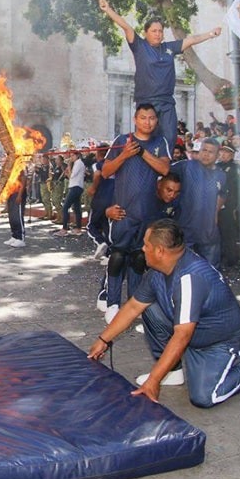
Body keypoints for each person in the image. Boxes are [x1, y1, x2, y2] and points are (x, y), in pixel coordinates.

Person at [87, 219, 240, 408]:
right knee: (148, 308)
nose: (142, 249)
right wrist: (103, 340)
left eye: (146, 245)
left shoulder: (190, 278)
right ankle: (173, 371)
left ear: (159, 251)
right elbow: (133, 307)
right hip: (191, 335)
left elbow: (182, 335)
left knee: (205, 397)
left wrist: (153, 381)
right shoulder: (158, 271)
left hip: (218, 342)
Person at [98, 0, 222, 147]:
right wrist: (108, 9)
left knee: (169, 139)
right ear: (145, 33)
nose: (158, 34)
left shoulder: (169, 47)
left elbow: (191, 40)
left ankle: (165, 167)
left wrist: (210, 34)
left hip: (166, 102)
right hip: (147, 102)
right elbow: (126, 26)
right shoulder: (140, 46)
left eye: (160, 31)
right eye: (154, 31)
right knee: (146, 140)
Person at [99, 104, 171, 323]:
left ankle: (134, 306)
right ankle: (112, 303)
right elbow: (105, 171)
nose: (147, 122)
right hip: (123, 213)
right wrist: (125, 154)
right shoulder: (122, 140)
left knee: (140, 258)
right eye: (143, 118)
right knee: (118, 256)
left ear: (156, 121)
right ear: (135, 119)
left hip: (148, 214)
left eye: (151, 118)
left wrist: (142, 153)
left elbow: (165, 169)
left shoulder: (161, 143)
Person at [171, 138, 226, 268]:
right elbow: (162, 172)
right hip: (185, 230)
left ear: (218, 155)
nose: (206, 154)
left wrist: (215, 215)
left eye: (210, 152)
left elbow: (223, 194)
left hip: (209, 234)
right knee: (182, 272)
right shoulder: (185, 166)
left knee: (210, 273)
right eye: (204, 150)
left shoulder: (221, 175)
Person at [55, 151, 86, 236]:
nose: (71, 157)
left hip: (76, 187)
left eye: (72, 155)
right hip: (76, 186)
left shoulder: (78, 164)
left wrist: (68, 167)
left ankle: (64, 229)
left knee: (65, 207)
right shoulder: (77, 163)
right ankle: (78, 228)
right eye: (70, 156)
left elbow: (71, 176)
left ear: (77, 155)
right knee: (77, 208)